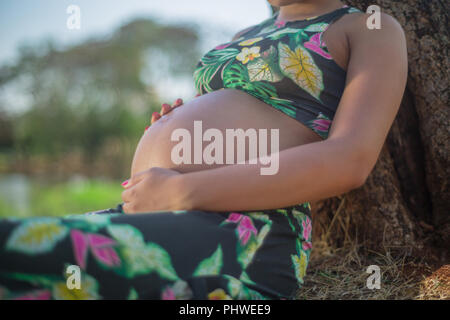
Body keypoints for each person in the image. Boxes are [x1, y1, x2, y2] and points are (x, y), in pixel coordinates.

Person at [0, 0, 408, 300]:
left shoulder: (367, 27)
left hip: (247, 232)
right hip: (166, 215)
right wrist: (175, 125)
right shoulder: (244, 35)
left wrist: (182, 190)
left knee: (24, 251)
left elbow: (348, 160)